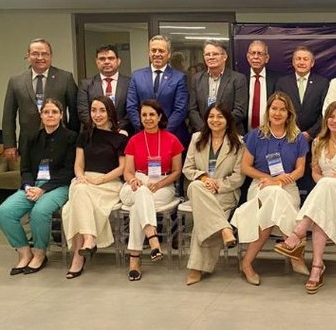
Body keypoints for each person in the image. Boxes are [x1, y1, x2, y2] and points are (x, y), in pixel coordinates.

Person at [274, 101, 336, 294]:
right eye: (331, 116)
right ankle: (317, 267)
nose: (334, 121)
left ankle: (298, 233)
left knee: (326, 187)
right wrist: (327, 181)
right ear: (326, 119)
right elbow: (316, 174)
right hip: (329, 192)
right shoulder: (318, 141)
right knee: (323, 205)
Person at [231, 92, 310, 285]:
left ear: (289, 113)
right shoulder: (256, 135)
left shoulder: (297, 137)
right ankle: (295, 253)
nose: (278, 113)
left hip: (288, 185)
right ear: (268, 111)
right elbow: (245, 167)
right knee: (273, 195)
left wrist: (281, 181)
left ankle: (247, 263)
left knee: (270, 210)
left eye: (282, 109)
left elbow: (300, 170)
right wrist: (270, 179)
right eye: (274, 108)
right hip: (261, 184)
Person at [0, 98, 77, 275]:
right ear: (41, 115)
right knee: (4, 212)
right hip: (31, 186)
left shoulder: (71, 137)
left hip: (58, 186)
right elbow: (25, 169)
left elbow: (68, 172)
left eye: (54, 112)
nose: (50, 115)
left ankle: (40, 253)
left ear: (62, 115)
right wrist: (28, 187)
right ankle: (24, 252)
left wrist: (43, 189)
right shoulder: (31, 138)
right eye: (46, 112)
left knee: (39, 212)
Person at [62, 96, 128, 279]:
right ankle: (89, 239)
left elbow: (123, 167)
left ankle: (77, 257)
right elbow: (78, 165)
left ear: (110, 112)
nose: (97, 115)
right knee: (79, 189)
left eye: (101, 110)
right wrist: (81, 177)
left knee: (70, 208)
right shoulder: (84, 135)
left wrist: (102, 180)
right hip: (85, 180)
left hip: (109, 183)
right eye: (93, 110)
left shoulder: (121, 136)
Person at [120, 100, 184, 281]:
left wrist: (160, 184)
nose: (148, 118)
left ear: (160, 117)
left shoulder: (172, 140)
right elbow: (127, 171)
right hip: (136, 184)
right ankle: (153, 238)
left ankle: (134, 259)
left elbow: (177, 171)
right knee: (141, 193)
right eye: (144, 115)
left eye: (152, 114)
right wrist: (132, 180)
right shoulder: (134, 140)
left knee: (137, 208)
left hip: (163, 185)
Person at [183, 103, 245, 286]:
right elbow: (188, 169)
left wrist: (218, 185)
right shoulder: (196, 138)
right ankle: (225, 229)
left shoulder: (238, 143)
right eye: (211, 116)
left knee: (203, 220)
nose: (215, 120)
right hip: (201, 191)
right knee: (195, 187)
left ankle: (196, 268)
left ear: (227, 120)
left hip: (225, 193)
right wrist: (202, 178)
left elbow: (238, 177)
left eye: (220, 117)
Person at [3, 38, 79, 161]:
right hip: (28, 142)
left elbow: (75, 112)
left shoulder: (65, 78)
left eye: (44, 54)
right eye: (35, 54)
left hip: (60, 140)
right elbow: (8, 115)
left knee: (60, 177)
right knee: (30, 177)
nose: (40, 57)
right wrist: (9, 144)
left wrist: (74, 137)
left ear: (51, 56)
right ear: (28, 56)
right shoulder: (16, 81)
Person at [127, 35, 190, 146]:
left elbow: (180, 109)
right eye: (153, 50)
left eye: (161, 51)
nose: (157, 54)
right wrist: (145, 129)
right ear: (149, 53)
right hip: (143, 137)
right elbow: (131, 107)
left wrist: (163, 133)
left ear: (168, 54)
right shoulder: (137, 76)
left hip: (171, 136)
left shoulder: (179, 77)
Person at [188, 40, 249, 134]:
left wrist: (218, 126)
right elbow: (192, 109)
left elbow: (240, 111)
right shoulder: (196, 79)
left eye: (215, 54)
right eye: (207, 54)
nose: (211, 57)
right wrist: (205, 129)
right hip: (203, 134)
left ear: (225, 57)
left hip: (231, 133)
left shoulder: (238, 79)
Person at [275, 45, 330, 142]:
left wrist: (310, 133)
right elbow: (278, 110)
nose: (301, 62)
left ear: (312, 63)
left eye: (305, 59)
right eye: (298, 59)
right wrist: (289, 130)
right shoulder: (282, 83)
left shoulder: (322, 83)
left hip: (314, 139)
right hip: (287, 137)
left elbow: (325, 112)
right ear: (293, 62)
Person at [77, 44, 132, 134]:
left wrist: (114, 128)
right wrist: (101, 127)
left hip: (122, 134)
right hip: (94, 135)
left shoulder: (130, 83)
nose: (106, 62)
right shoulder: (86, 84)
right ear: (97, 62)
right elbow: (83, 112)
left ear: (118, 61)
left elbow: (131, 110)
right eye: (102, 59)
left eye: (111, 58)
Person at [245, 40, 281, 132]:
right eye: (253, 53)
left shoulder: (278, 80)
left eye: (260, 54)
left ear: (267, 58)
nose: (256, 57)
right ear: (248, 57)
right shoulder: (240, 79)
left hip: (270, 133)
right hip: (244, 134)